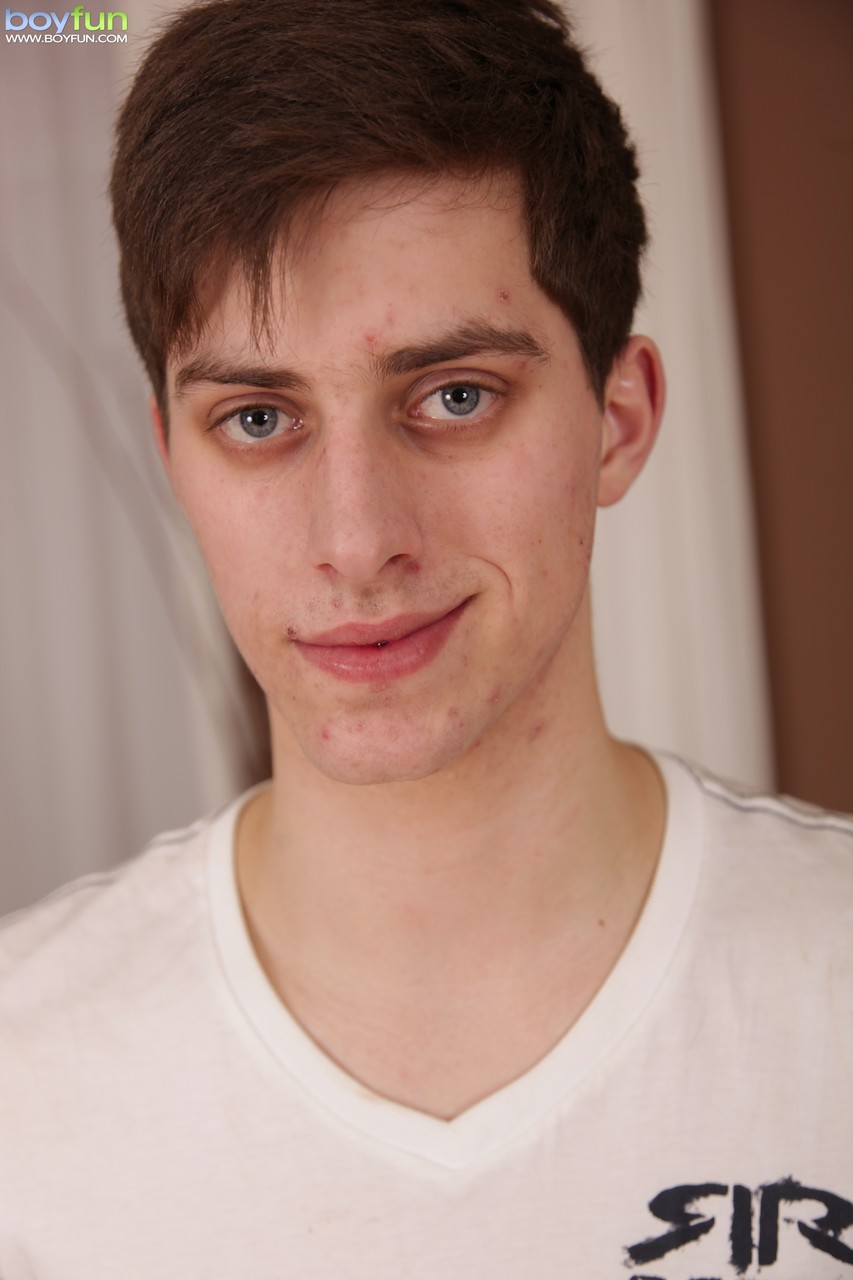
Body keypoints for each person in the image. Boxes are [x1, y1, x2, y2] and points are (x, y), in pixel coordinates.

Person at [1, 0, 851, 1275]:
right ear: (171, 452)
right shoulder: (23, 1078)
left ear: (617, 420)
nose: (356, 540)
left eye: (454, 396)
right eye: (257, 418)